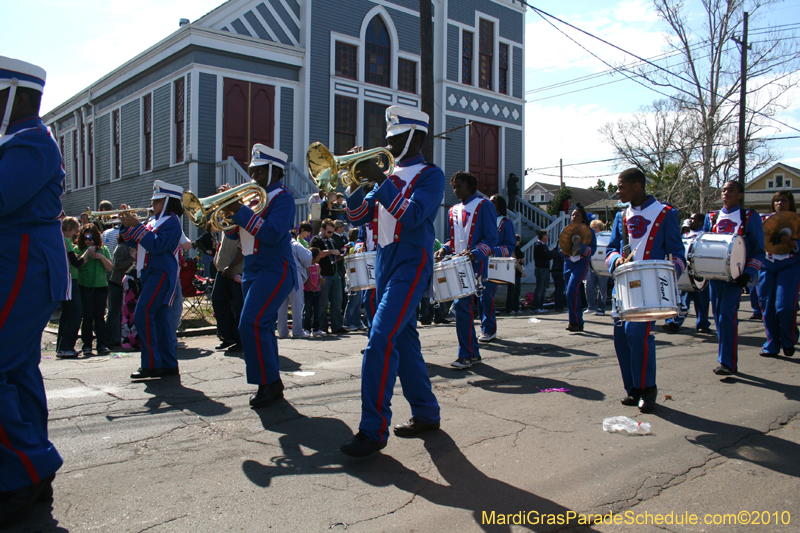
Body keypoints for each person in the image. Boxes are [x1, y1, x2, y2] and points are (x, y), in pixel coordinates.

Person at [339, 105, 444, 457]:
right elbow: (357, 216)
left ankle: (373, 430)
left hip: (412, 260)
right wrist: (355, 183)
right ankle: (426, 413)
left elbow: (412, 216)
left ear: (415, 137)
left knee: (380, 339)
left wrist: (381, 181)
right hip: (384, 261)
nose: (388, 144)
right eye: (388, 138)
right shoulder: (389, 175)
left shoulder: (431, 175)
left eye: (396, 138)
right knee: (405, 341)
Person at [0, 56, 70, 523]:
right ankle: (30, 473)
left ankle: (26, 470)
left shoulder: (30, 141)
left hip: (23, 260)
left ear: (15, 96)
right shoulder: (20, 140)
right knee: (20, 370)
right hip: (20, 260)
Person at [221, 145, 296, 408]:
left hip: (275, 266)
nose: (254, 176)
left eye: (260, 171)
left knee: (250, 323)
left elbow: (272, 234)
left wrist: (239, 210)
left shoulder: (282, 197)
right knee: (261, 325)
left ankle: (268, 383)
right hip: (252, 267)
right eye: (253, 171)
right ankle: (271, 383)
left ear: (275, 171)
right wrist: (228, 212)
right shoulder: (252, 200)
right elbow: (235, 234)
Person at [605, 168, 685, 413]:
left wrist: (668, 276)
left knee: (637, 333)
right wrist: (616, 260)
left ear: (636, 186)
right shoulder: (621, 216)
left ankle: (648, 388)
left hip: (650, 288)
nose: (617, 191)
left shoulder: (666, 213)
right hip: (623, 287)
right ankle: (633, 389)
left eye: (621, 186)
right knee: (621, 337)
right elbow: (610, 249)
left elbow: (678, 254)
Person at [119, 180, 184, 380]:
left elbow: (157, 246)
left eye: (157, 200)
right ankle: (168, 363)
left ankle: (151, 364)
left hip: (161, 272)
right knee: (160, 319)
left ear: (168, 201)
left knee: (143, 313)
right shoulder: (152, 221)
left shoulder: (172, 221)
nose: (152, 203)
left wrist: (137, 226)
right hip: (148, 273)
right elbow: (135, 242)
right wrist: (126, 225)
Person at [437, 170, 498, 368]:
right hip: (457, 264)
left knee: (462, 307)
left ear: (470, 186)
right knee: (462, 309)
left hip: (475, 265)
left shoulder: (484, 205)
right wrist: (444, 249)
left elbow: (491, 239)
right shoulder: (452, 210)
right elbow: (453, 240)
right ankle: (472, 353)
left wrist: (475, 253)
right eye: (454, 187)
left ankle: (466, 355)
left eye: (459, 186)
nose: (455, 190)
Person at [703, 180, 765, 375]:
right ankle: (726, 358)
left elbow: (759, 251)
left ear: (740, 195)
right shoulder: (711, 217)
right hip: (715, 276)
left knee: (727, 314)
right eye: (723, 190)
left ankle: (727, 362)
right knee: (718, 315)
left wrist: (748, 274)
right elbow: (704, 245)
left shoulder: (749, 217)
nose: (725, 193)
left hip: (737, 277)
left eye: (730, 190)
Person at [757, 191, 800, 357]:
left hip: (790, 266)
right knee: (767, 307)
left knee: (784, 306)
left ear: (791, 203)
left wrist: (792, 243)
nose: (779, 203)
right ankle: (772, 344)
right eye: (777, 200)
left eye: (784, 200)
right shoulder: (762, 219)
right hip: (767, 266)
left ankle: (788, 340)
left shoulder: (797, 221)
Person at [662, 213, 711, 335]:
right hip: (685, 273)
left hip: (699, 274)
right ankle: (673, 322)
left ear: (700, 222)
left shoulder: (705, 237)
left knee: (702, 301)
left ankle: (703, 324)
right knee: (681, 299)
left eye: (693, 219)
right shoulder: (684, 236)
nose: (690, 220)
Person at [478, 194, 516, 342]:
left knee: (486, 295)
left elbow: (510, 246)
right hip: (481, 263)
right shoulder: (484, 220)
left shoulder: (506, 223)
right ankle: (484, 327)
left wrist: (493, 250)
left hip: (495, 265)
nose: (489, 203)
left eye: (493, 202)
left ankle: (490, 329)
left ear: (499, 205)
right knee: (480, 296)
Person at [76, 223, 113, 355]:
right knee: (87, 316)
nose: (88, 241)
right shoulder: (79, 250)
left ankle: (101, 344)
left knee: (99, 317)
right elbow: (77, 265)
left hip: (101, 286)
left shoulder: (103, 249)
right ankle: (87, 345)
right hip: (85, 286)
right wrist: (87, 253)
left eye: (90, 238)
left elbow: (110, 268)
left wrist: (101, 257)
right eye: (85, 238)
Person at [563, 206, 597, 332]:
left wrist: (580, 245)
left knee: (571, 290)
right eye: (572, 215)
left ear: (582, 217)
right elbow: (560, 248)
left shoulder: (589, 232)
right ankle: (576, 322)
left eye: (577, 215)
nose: (574, 217)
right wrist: (565, 248)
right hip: (568, 263)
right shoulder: (566, 230)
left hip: (581, 263)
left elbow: (592, 250)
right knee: (572, 293)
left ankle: (575, 321)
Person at [56, 217, 85, 358]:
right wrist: (86, 254)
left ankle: (61, 347)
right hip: (70, 279)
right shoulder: (66, 240)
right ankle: (66, 347)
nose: (75, 234)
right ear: (68, 228)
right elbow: (76, 263)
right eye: (74, 230)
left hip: (63, 279)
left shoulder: (59, 238)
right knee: (76, 313)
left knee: (66, 313)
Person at [310, 219, 344, 334]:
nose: (330, 234)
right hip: (323, 275)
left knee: (337, 302)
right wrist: (330, 251)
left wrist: (341, 254)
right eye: (329, 232)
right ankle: (322, 327)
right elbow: (317, 254)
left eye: (332, 232)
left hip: (334, 273)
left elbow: (335, 257)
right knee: (323, 303)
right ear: (322, 229)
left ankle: (337, 326)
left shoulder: (332, 241)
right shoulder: (316, 240)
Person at [211, 232, 244, 351]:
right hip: (222, 270)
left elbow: (243, 249)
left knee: (239, 306)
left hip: (236, 270)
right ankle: (228, 336)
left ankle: (240, 340)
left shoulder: (242, 226)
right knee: (218, 300)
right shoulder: (226, 227)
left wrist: (230, 267)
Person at [277, 233, 313, 338]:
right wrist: (305, 266)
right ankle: (297, 331)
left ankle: (282, 332)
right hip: (293, 273)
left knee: (281, 305)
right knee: (297, 303)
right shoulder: (294, 244)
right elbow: (307, 258)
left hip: (279, 274)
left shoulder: (275, 244)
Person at [106, 233, 135, 348]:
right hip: (115, 283)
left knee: (119, 312)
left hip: (121, 284)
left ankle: (117, 337)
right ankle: (110, 338)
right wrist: (131, 259)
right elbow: (116, 265)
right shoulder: (121, 248)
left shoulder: (127, 247)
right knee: (114, 312)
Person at [343, 227, 367, 331]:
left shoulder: (352, 246)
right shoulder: (353, 247)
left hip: (358, 276)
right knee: (353, 301)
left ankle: (357, 322)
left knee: (357, 301)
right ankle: (348, 322)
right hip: (353, 276)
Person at [584, 219, 609, 316]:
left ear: (600, 228)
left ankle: (601, 308)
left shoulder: (605, 237)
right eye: (592, 227)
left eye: (595, 227)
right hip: (590, 265)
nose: (593, 229)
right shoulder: (588, 238)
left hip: (602, 265)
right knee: (588, 286)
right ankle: (591, 307)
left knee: (602, 289)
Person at [303, 248, 324, 336]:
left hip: (317, 291)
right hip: (308, 291)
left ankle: (316, 328)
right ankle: (306, 328)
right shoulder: (306, 267)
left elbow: (318, 276)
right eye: (318, 256)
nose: (319, 257)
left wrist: (321, 280)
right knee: (307, 310)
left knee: (317, 310)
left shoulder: (317, 266)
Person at [532, 231, 551, 313]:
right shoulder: (538, 245)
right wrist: (550, 254)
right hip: (540, 269)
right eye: (546, 235)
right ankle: (535, 307)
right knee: (539, 289)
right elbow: (546, 255)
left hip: (545, 269)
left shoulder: (544, 245)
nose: (547, 237)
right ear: (543, 236)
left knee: (543, 289)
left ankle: (540, 306)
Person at [505, 234, 524, 315]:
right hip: (512, 272)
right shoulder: (511, 248)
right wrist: (522, 270)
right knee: (512, 291)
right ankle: (509, 308)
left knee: (517, 292)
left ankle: (516, 308)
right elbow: (514, 260)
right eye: (517, 240)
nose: (519, 242)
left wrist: (521, 260)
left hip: (517, 273)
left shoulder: (518, 249)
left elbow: (521, 258)